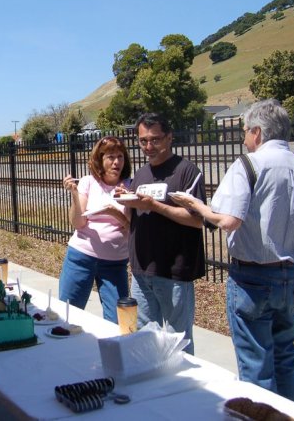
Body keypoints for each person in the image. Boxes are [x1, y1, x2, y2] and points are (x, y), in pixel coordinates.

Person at [170, 100, 294, 404]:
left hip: (252, 278)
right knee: (284, 359)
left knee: (256, 366)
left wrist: (197, 206)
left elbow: (228, 220)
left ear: (257, 132)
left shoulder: (248, 165)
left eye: (244, 132)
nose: (243, 138)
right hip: (290, 275)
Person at [123, 113, 206, 354]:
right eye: (143, 141)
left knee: (177, 342)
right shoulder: (140, 174)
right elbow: (132, 219)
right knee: (144, 340)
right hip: (141, 270)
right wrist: (125, 200)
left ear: (169, 138)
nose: (148, 147)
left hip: (174, 273)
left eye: (155, 140)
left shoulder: (187, 172)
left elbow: (197, 219)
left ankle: (183, 388)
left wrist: (155, 206)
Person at [59, 136, 132, 323]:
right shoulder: (88, 182)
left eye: (120, 157)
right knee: (68, 315)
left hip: (114, 264)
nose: (116, 162)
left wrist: (116, 213)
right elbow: (78, 223)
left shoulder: (129, 186)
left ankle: (111, 352)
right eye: (110, 157)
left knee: (118, 321)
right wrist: (75, 195)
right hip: (81, 257)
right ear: (100, 160)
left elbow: (132, 228)